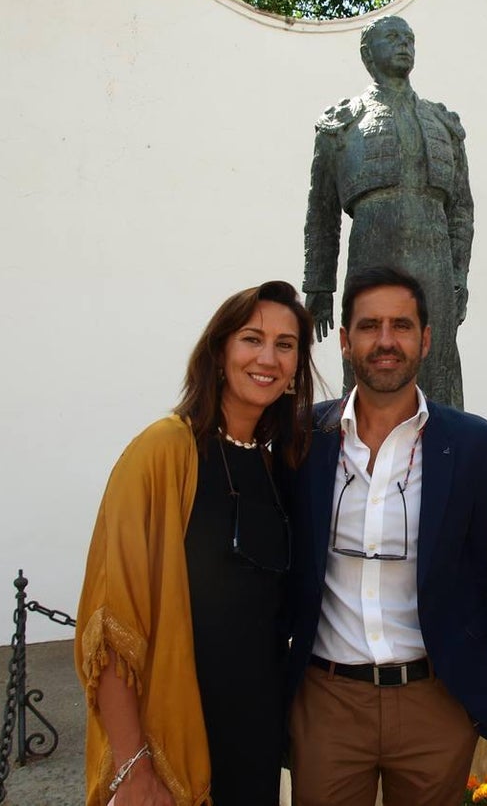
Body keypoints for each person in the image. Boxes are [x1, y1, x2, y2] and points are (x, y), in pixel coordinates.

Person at [75, 281, 317, 806]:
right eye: (252, 339)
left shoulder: (277, 465)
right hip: (170, 750)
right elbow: (112, 622)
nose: (268, 358)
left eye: (285, 344)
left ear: (298, 364)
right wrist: (133, 766)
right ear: (219, 350)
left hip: (252, 741)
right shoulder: (163, 452)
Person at [286, 266, 487, 806]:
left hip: (435, 703)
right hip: (328, 701)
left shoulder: (475, 444)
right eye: (369, 326)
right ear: (344, 340)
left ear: (426, 339)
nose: (386, 341)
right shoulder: (299, 439)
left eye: (401, 326)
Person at [302, 15, 474, 409]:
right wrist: (319, 285)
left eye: (410, 38)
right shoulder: (341, 126)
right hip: (371, 256)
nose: (404, 45)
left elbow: (461, 209)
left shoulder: (444, 125)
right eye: (393, 38)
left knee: (438, 365)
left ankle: (448, 454)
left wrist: (459, 273)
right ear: (367, 54)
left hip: (434, 262)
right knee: (370, 360)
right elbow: (322, 212)